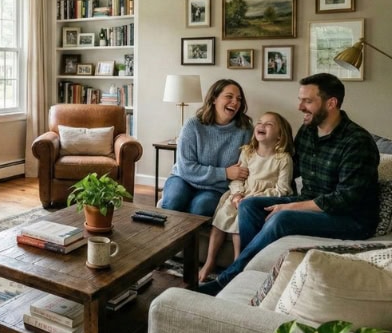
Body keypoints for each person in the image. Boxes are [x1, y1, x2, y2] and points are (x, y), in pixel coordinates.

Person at [199, 73, 380, 295]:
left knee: (282, 217)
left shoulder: (357, 142)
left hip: (351, 218)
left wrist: (288, 206)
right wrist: (253, 171)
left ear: (331, 103)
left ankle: (228, 277)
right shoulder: (308, 131)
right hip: (309, 201)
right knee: (249, 205)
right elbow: (289, 168)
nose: (299, 106)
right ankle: (251, 272)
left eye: (308, 101)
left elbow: (345, 199)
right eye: (300, 99)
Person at [198, 111, 294, 282]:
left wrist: (258, 196)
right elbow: (238, 178)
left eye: (269, 124)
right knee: (222, 217)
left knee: (239, 222)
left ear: (279, 136)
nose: (262, 126)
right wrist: (237, 194)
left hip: (260, 200)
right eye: (260, 122)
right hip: (241, 195)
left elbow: (283, 189)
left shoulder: (283, 159)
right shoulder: (247, 152)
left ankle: (238, 264)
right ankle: (209, 261)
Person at [161, 79, 254, 217]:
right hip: (183, 179)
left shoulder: (245, 130)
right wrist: (225, 173)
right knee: (174, 201)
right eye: (229, 96)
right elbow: (186, 168)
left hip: (215, 188)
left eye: (239, 99)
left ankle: (189, 238)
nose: (235, 102)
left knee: (200, 208)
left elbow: (242, 168)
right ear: (214, 99)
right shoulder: (193, 125)